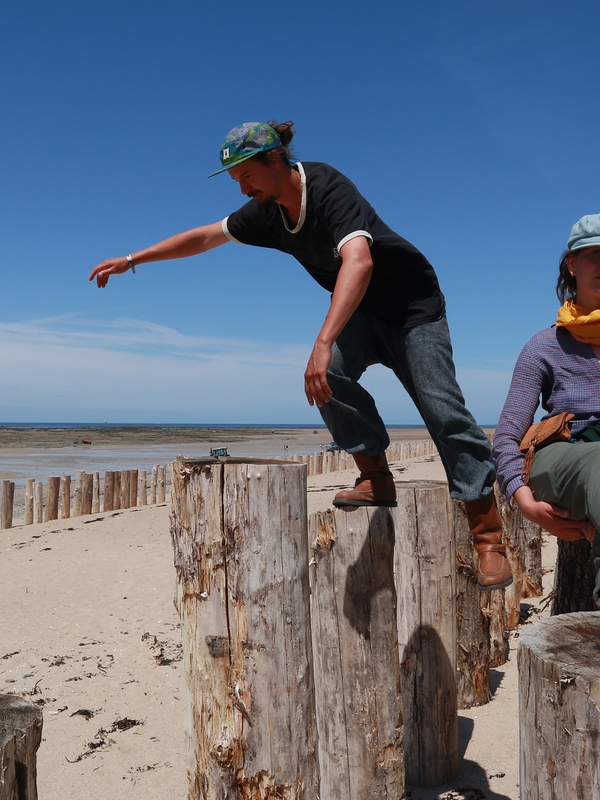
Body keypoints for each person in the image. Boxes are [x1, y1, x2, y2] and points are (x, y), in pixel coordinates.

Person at [89, 119, 512, 591]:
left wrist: (323, 339)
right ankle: (375, 477)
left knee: (441, 409)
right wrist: (131, 260)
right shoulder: (265, 212)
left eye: (246, 175)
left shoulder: (327, 186)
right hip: (361, 311)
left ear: (276, 160)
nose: (241, 187)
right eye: (235, 180)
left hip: (414, 310)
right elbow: (205, 237)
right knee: (325, 378)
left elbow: (360, 260)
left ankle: (488, 535)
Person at [492, 213, 600, 606]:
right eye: (595, 256)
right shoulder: (543, 346)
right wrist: (524, 501)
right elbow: (505, 438)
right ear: (573, 264)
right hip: (563, 454)